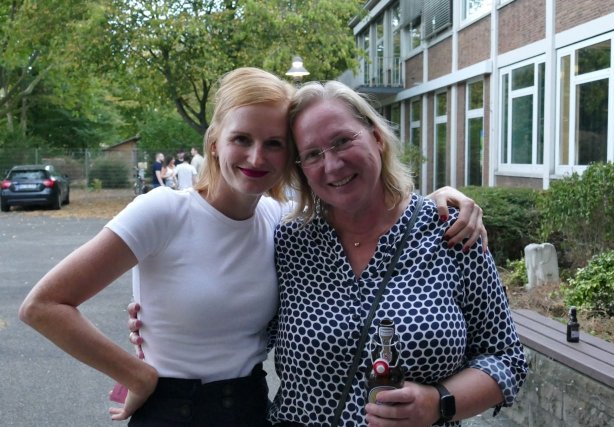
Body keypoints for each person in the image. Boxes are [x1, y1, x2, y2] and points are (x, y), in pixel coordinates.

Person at [20, 67, 485, 427]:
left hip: (250, 407)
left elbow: (372, 207)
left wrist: (438, 199)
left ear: (288, 157)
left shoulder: (280, 222)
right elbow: (44, 305)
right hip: (175, 410)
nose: (257, 156)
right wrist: (136, 375)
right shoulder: (163, 210)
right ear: (215, 143)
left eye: (274, 143)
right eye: (241, 139)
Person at [264, 80, 528, 426]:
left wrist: (438, 402)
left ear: (376, 137)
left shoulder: (451, 231)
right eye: (313, 154)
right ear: (301, 168)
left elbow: (506, 358)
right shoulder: (288, 241)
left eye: (342, 141)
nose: (333, 164)